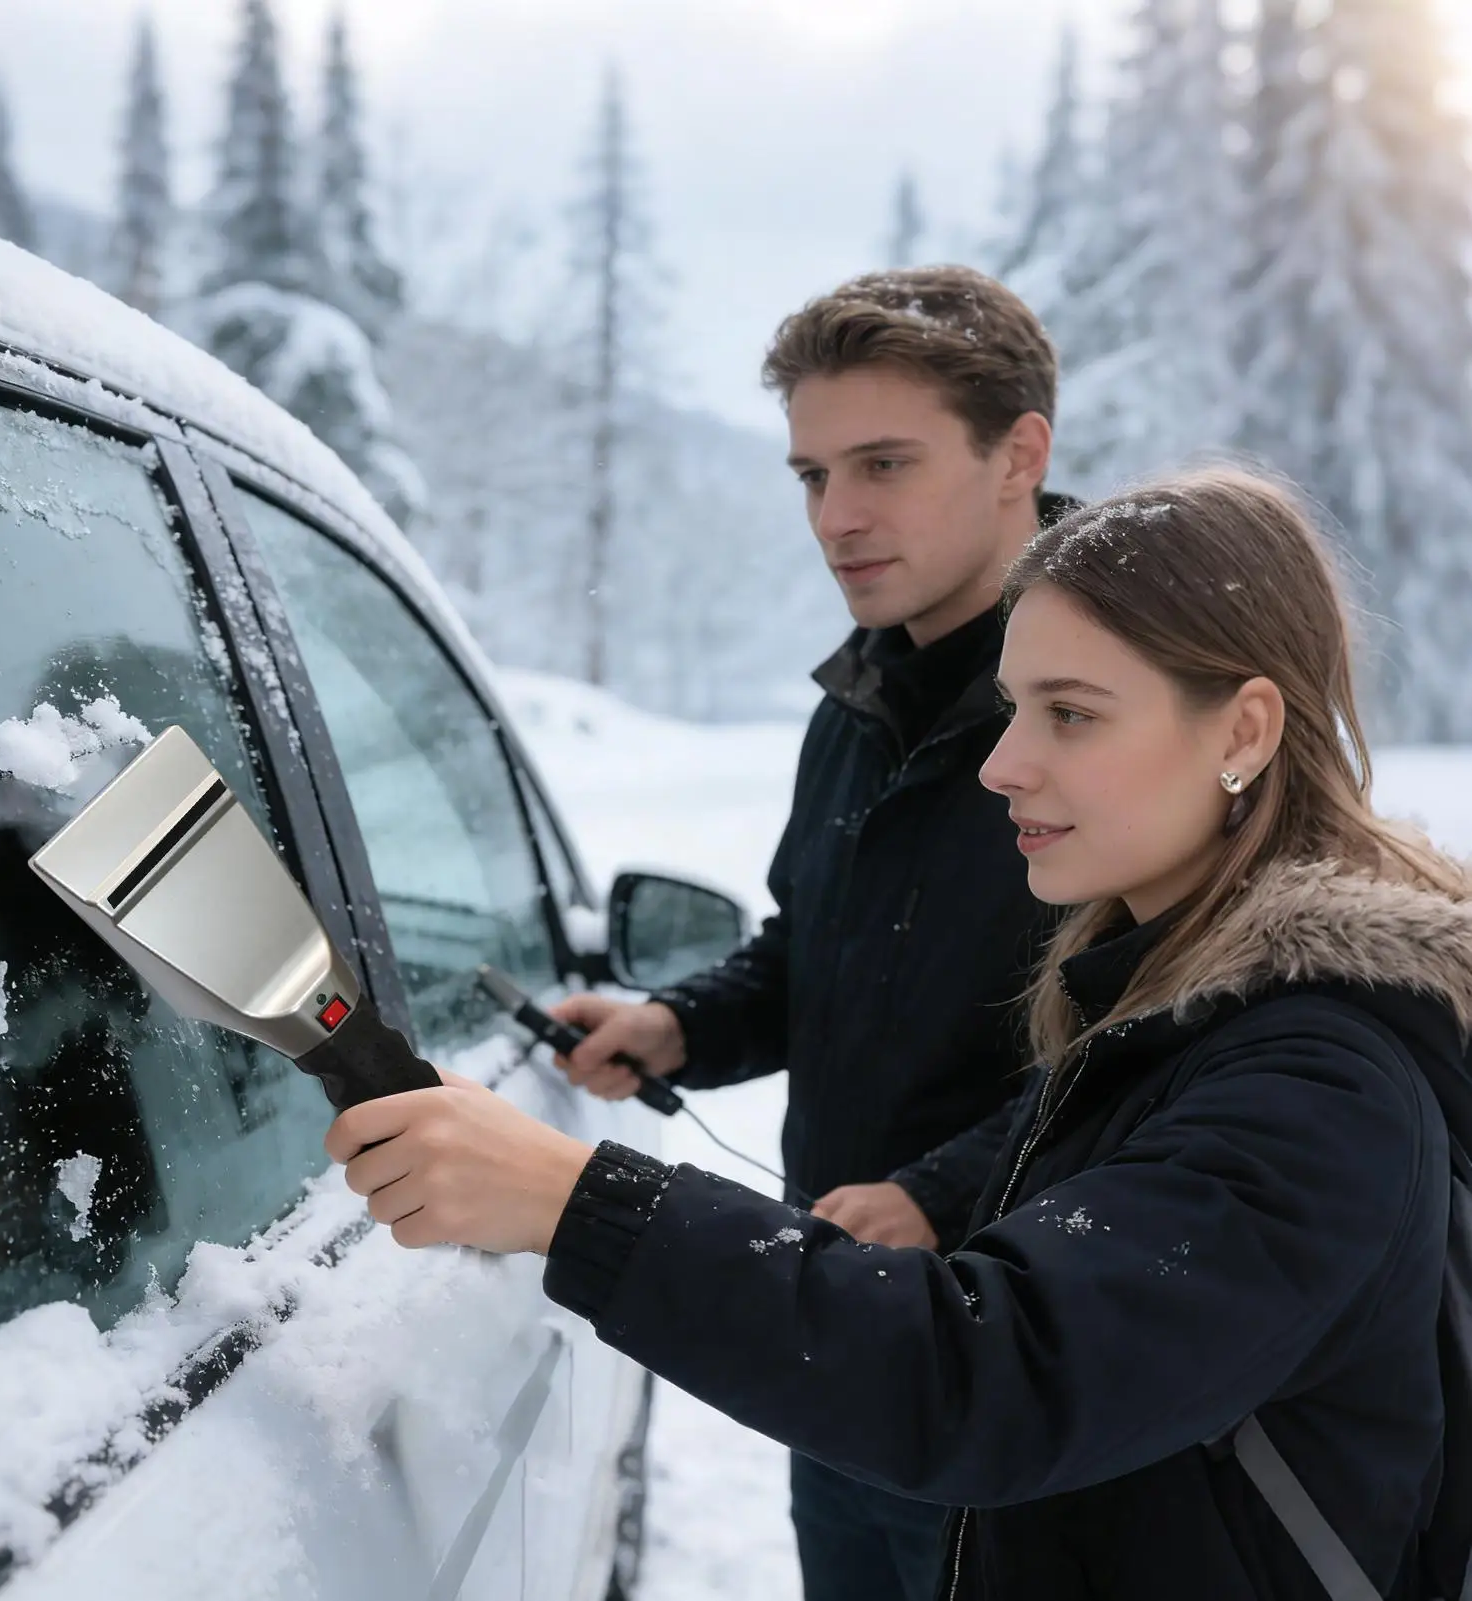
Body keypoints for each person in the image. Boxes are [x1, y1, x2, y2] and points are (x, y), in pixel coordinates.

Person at [329, 467, 1471, 1600]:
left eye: (1068, 712)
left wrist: (577, 1199)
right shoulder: (1173, 1001)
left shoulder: (1318, 1086)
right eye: (1013, 705)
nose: (999, 763)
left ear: (1244, 727)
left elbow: (994, 1371)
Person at [544, 264, 1070, 1599]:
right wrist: (677, 1022)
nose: (837, 517)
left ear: (1021, 454)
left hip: (1022, 1374)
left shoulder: (1107, 706)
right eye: (809, 475)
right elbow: (816, 947)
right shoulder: (857, 704)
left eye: (882, 463)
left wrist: (943, 1195)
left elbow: (1179, 1032)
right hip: (835, 1328)